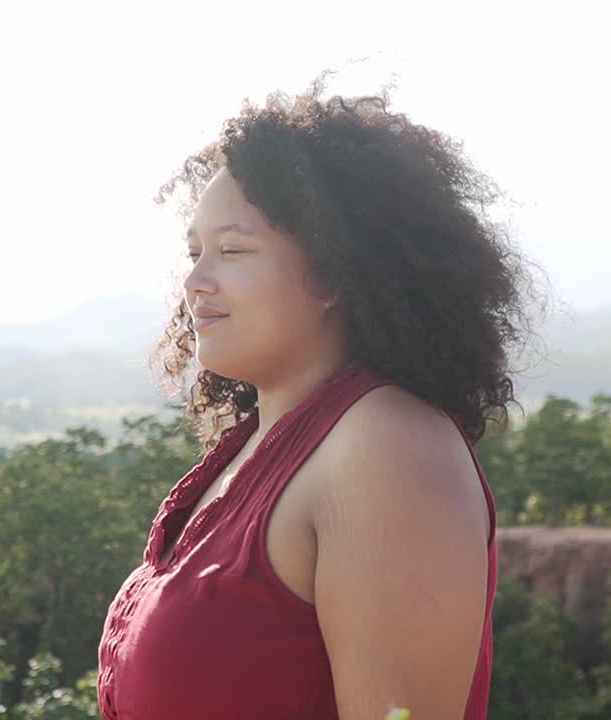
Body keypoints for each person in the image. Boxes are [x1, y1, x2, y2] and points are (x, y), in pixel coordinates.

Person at [97, 77, 533, 720]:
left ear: (332, 272)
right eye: (194, 253)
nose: (195, 281)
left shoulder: (386, 447)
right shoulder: (252, 449)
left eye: (232, 250)